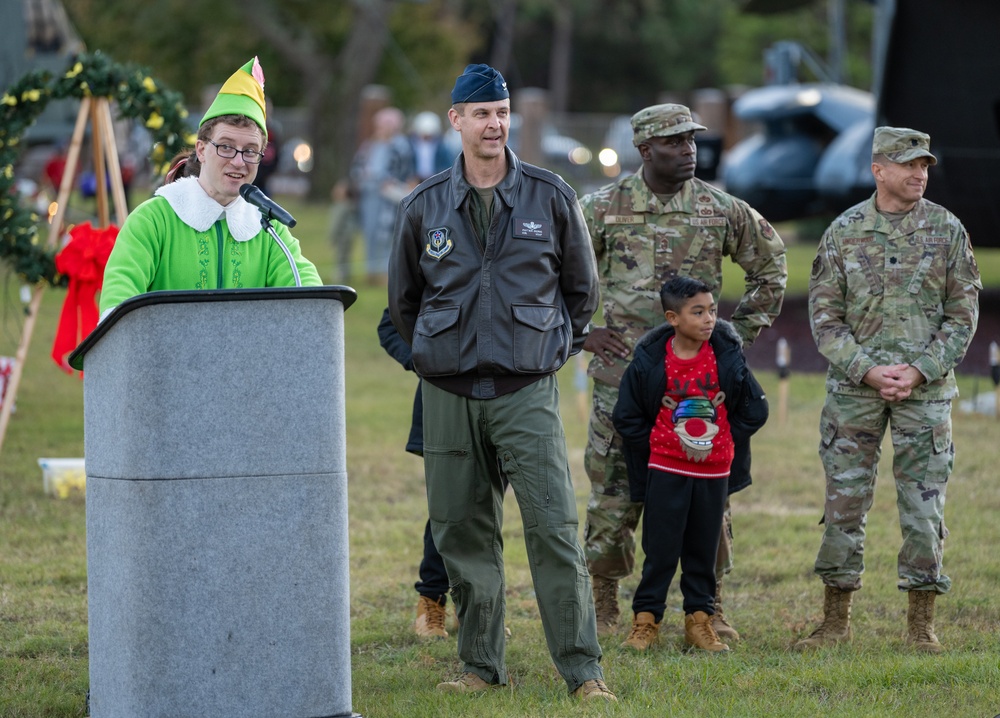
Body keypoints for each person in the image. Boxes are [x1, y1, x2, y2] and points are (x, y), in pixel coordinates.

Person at [388, 63, 615, 702]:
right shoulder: (423, 204)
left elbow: (581, 293)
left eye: (502, 111)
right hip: (449, 395)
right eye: (481, 112)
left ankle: (583, 670)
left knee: (553, 529)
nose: (495, 123)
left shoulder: (549, 195)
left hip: (525, 392)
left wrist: (541, 349)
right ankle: (481, 666)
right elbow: (403, 304)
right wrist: (438, 355)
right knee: (462, 533)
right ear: (456, 119)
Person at [579, 103, 787, 638]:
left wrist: (735, 341)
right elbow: (550, 272)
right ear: (645, 150)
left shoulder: (720, 209)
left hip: (699, 388)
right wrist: (581, 332)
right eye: (674, 143)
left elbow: (771, 266)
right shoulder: (602, 208)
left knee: (705, 491)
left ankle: (708, 604)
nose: (689, 151)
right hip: (622, 380)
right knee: (614, 489)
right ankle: (604, 604)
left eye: (692, 141)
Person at [794, 126, 981, 653]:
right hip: (855, 392)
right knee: (844, 504)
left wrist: (920, 369)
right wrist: (867, 370)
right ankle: (835, 621)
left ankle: (921, 625)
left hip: (926, 393)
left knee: (924, 508)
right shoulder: (844, 231)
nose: (920, 174)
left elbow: (962, 315)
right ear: (879, 170)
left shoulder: (947, 230)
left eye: (924, 166)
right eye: (908, 165)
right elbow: (825, 318)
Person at [613, 276, 768, 653]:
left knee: (702, 550)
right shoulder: (651, 361)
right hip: (666, 470)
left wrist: (726, 436)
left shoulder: (725, 356)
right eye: (697, 312)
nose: (709, 318)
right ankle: (646, 620)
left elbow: (756, 408)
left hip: (713, 472)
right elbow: (626, 416)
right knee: (661, 549)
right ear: (673, 318)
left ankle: (699, 621)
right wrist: (657, 443)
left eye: (712, 310)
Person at [100, 57, 321, 317]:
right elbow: (117, 308)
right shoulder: (153, 220)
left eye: (251, 151)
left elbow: (312, 303)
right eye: (226, 146)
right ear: (202, 149)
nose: (239, 161)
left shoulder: (269, 229)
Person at [377, 307, 451, 639]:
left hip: (505, 401)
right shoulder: (436, 257)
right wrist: (420, 360)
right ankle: (431, 601)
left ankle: (478, 604)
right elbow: (390, 324)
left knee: (487, 512)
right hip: (444, 407)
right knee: (447, 510)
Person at [350, 106, 415, 285]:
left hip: (389, 198)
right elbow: (357, 166)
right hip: (369, 195)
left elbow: (404, 169)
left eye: (385, 125)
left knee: (387, 234)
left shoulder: (400, 145)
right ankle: (370, 272)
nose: (381, 128)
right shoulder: (369, 145)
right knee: (370, 232)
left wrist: (390, 180)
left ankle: (386, 273)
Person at [408, 111, 455, 183]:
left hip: (435, 179)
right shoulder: (411, 145)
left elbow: (447, 165)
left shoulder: (441, 147)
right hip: (416, 180)